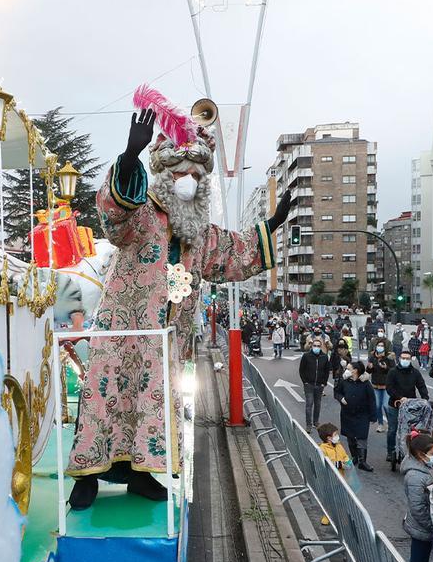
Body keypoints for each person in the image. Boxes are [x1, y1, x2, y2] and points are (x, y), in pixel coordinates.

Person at [65, 103, 293, 510]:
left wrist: (271, 225)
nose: (187, 181)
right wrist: (130, 157)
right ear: (166, 174)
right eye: (180, 173)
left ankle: (140, 473)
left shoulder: (198, 230)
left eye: (194, 175)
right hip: (125, 330)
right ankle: (89, 475)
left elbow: (231, 253)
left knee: (154, 402)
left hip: (168, 338)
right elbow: (113, 216)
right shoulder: (141, 212)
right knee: (108, 395)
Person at [402, 432, 433, 562]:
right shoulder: (415, 477)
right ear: (420, 454)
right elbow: (417, 508)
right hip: (422, 528)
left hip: (426, 526)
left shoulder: (425, 467)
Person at [385, 350, 429, 465]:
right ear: (399, 359)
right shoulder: (393, 372)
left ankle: (409, 451)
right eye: (403, 358)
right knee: (392, 430)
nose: (405, 360)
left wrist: (425, 398)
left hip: (411, 406)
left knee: (411, 431)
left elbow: (421, 385)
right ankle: (390, 451)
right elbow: (389, 388)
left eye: (407, 358)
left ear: (410, 360)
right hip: (395, 405)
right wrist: (399, 397)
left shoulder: (415, 372)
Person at [335, 360, 376, 472]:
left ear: (355, 370)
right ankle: (355, 457)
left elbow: (372, 400)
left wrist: (373, 416)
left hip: (362, 414)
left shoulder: (366, 383)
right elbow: (337, 392)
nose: (346, 370)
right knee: (350, 436)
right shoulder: (344, 381)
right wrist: (341, 399)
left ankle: (363, 461)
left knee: (362, 437)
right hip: (347, 413)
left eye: (349, 369)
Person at [299, 338, 331, 430]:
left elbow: (326, 371)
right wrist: (305, 381)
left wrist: (324, 383)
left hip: (319, 385)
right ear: (311, 346)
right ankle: (308, 424)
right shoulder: (306, 356)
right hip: (309, 384)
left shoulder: (324, 357)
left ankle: (316, 422)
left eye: (318, 346)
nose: (316, 347)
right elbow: (302, 370)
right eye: (314, 346)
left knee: (318, 404)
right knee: (309, 404)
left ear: (321, 347)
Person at [366, 340, 394, 434]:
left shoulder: (389, 357)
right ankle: (381, 424)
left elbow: (393, 371)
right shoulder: (372, 357)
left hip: (386, 385)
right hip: (375, 385)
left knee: (386, 406)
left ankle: (391, 424)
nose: (380, 347)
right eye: (378, 345)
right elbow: (369, 371)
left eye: (382, 345)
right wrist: (369, 367)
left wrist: (386, 368)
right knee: (377, 406)